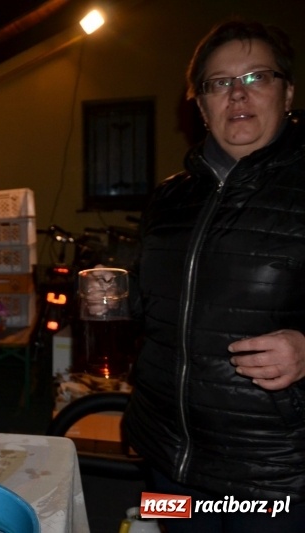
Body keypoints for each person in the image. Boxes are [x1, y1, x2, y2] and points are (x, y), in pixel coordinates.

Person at [124, 20, 305, 532]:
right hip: (168, 460)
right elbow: (154, 308)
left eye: (257, 76)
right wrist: (118, 298)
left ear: (286, 92)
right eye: (219, 83)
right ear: (200, 106)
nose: (238, 93)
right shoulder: (169, 195)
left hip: (275, 476)